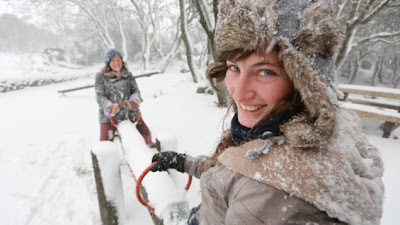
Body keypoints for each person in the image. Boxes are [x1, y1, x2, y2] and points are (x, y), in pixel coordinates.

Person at [150, 0, 384, 224]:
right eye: (234, 67)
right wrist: (186, 163)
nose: (239, 93)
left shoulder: (268, 198)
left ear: (303, 82)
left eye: (265, 72)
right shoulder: (277, 139)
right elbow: (237, 175)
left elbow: (251, 182)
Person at [95, 48, 155, 147]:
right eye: (113, 60)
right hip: (109, 116)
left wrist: (135, 99)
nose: (116, 63)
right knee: (105, 143)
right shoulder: (100, 77)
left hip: (130, 112)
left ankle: (149, 152)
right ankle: (106, 160)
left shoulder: (128, 75)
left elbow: (135, 91)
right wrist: (108, 106)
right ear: (108, 63)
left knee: (146, 134)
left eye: (118, 60)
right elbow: (100, 96)